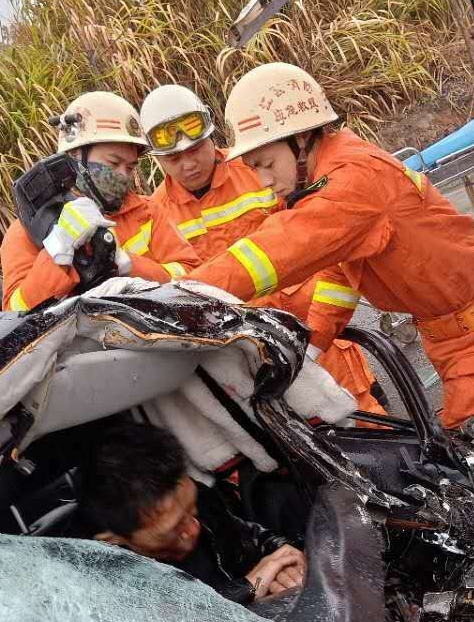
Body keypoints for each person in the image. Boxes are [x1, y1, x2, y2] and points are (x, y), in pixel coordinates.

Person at [187, 63, 474, 429]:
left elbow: (273, 251)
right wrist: (315, 345)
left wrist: (177, 298)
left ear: (302, 139)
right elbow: (339, 272)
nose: (263, 181)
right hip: (459, 331)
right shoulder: (337, 168)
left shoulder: (352, 183)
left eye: (266, 164)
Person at [141, 83, 386, 417]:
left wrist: (318, 331)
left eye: (195, 149)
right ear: (157, 160)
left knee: (366, 418)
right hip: (250, 349)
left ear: (211, 137)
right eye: (173, 158)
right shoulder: (157, 214)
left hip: (313, 326)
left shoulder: (259, 166)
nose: (188, 164)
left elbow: (318, 237)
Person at [1, 91, 199, 311]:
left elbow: (192, 276)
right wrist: (57, 250)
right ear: (76, 155)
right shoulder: (27, 231)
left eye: (130, 167)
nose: (123, 175)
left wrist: (130, 264)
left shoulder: (148, 212)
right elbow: (15, 314)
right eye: (113, 163)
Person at [82, 422, 306, 605]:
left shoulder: (199, 497)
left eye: (192, 508)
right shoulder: (106, 581)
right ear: (113, 539)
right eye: (174, 529)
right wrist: (250, 587)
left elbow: (250, 536)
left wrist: (286, 563)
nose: (194, 527)